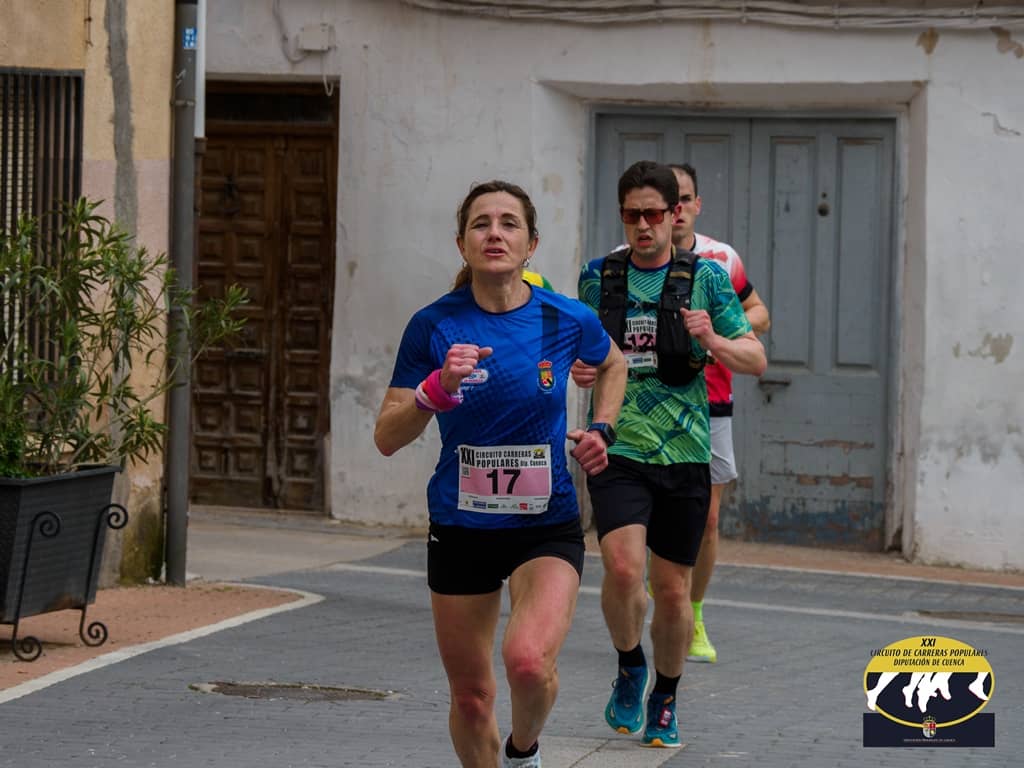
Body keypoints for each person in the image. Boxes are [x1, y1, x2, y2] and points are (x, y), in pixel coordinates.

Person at [374, 179, 627, 768]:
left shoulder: (565, 318)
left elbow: (613, 363)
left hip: (545, 524)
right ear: (461, 243)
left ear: (530, 244)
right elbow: (387, 436)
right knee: (471, 699)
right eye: (481, 223)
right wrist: (434, 391)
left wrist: (602, 429)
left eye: (509, 223)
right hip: (461, 527)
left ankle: (523, 751)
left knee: (529, 663)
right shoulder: (432, 325)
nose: (495, 233)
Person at [572, 161, 766, 748]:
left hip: (685, 451)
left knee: (674, 591)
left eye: (653, 214)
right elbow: (574, 351)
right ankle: (631, 664)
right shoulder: (598, 277)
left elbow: (755, 358)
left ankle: (666, 695)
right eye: (632, 215)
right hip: (618, 445)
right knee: (622, 569)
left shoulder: (706, 278)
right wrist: (579, 369)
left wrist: (711, 338)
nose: (643, 225)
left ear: (674, 213)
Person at [667, 163, 771, 664]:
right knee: (655, 515)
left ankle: (694, 613)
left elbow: (760, 313)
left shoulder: (720, 258)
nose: (677, 209)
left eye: (685, 199)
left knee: (707, 521)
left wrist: (719, 331)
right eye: (668, 201)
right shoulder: (627, 261)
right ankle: (665, 596)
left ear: (697, 204)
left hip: (712, 402)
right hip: (653, 403)